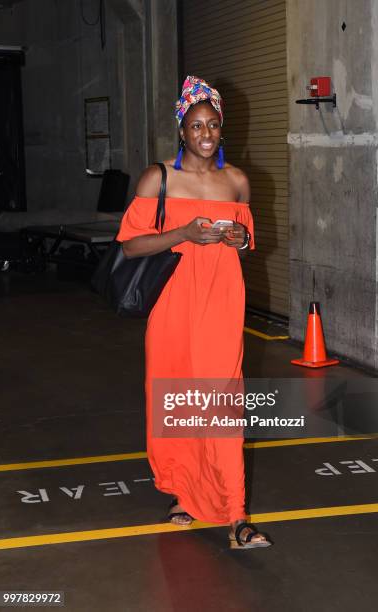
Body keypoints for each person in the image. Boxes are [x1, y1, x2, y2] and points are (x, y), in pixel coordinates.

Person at [117, 76, 272, 549]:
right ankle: (180, 491)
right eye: (195, 125)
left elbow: (247, 241)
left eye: (213, 124)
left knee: (224, 403)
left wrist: (238, 239)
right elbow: (131, 243)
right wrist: (183, 233)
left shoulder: (238, 181)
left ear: (222, 128)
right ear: (181, 131)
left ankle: (236, 514)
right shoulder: (157, 178)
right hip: (171, 306)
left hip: (222, 304)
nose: (205, 133)